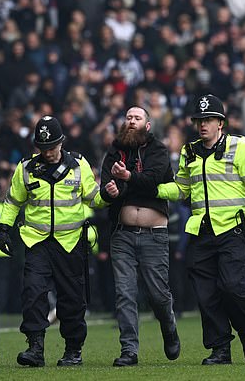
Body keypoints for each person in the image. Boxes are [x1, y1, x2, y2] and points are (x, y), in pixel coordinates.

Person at [155, 94, 245, 365]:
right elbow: (182, 189)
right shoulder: (189, 151)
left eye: (208, 120)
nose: (202, 125)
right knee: (206, 295)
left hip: (232, 229)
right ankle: (220, 348)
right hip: (201, 232)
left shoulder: (241, 147)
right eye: (199, 120)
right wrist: (152, 188)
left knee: (233, 288)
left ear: (221, 123)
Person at [0, 115, 109, 367]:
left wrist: (110, 194)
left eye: (52, 147)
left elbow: (94, 199)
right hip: (37, 241)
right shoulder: (25, 169)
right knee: (33, 293)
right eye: (42, 148)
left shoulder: (79, 165)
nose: (47, 152)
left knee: (72, 298)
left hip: (70, 242)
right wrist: (3, 228)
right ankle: (35, 348)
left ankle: (73, 350)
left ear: (62, 142)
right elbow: (13, 202)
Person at [99, 106, 180, 367]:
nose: (131, 121)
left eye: (137, 118)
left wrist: (127, 177)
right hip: (122, 234)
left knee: (158, 294)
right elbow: (104, 189)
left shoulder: (158, 150)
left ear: (147, 125)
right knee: (125, 292)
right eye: (128, 117)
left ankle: (169, 327)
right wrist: (110, 191)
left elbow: (153, 181)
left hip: (154, 234)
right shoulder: (114, 150)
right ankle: (129, 350)